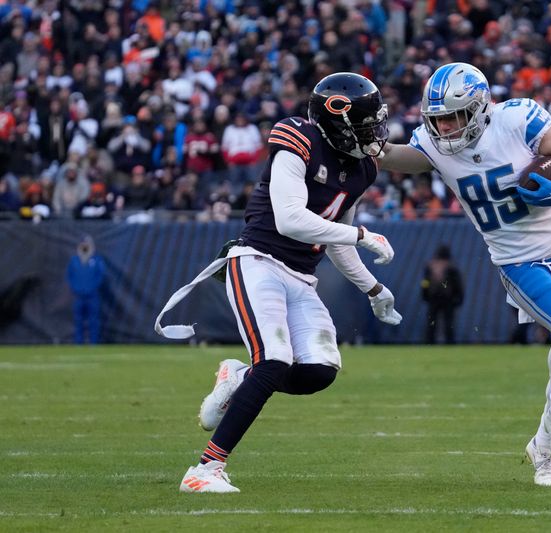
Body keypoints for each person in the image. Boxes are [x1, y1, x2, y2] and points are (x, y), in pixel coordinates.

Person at [154, 73, 402, 493]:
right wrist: (362, 235)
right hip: (258, 262)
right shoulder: (297, 136)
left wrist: (373, 289)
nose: (374, 135)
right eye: (365, 125)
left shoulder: (363, 168)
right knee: (274, 360)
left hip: (302, 278)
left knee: (320, 371)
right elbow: (291, 219)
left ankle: (238, 377)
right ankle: (205, 470)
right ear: (338, 121)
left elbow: (333, 237)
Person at [379, 62, 551, 487]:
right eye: (437, 119)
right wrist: (372, 148)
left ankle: (543, 447)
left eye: (453, 116)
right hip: (517, 260)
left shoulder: (516, 119)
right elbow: (397, 157)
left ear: (481, 108)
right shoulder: (433, 142)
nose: (444, 127)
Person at [66, 236, 106, 344]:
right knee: (78, 320)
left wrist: (92, 288)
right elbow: (69, 276)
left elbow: (101, 276)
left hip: (92, 296)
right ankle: (79, 343)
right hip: (78, 296)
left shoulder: (97, 260)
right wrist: (76, 289)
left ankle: (94, 342)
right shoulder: (74, 260)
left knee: (94, 320)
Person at [421, 244, 464, 344]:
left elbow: (425, 282)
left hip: (433, 298)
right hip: (448, 299)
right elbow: (457, 284)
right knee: (449, 323)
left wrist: (425, 294)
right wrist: (459, 297)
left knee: (431, 322)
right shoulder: (451, 267)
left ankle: (429, 343)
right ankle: (450, 343)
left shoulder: (430, 266)